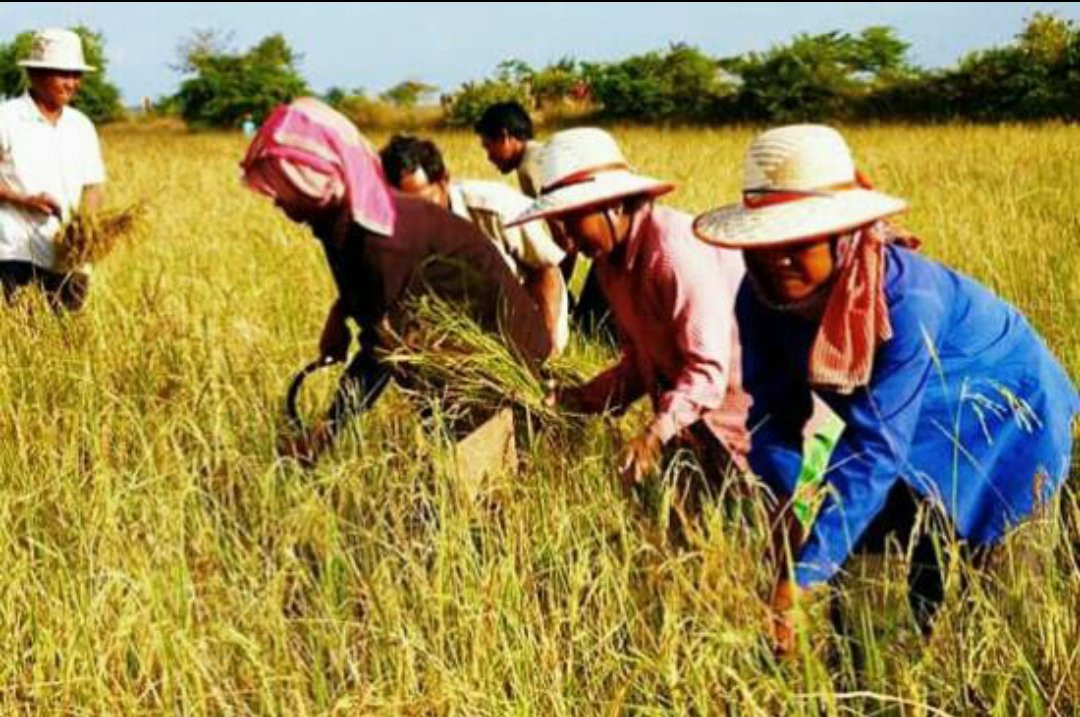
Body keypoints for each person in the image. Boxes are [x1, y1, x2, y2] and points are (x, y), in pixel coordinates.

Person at [692, 124, 1080, 655]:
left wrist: (801, 580)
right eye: (763, 242)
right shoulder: (759, 298)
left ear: (844, 236)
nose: (776, 257)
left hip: (1006, 422)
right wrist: (790, 515)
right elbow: (773, 415)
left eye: (798, 241)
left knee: (1007, 604)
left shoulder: (904, 299)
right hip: (896, 433)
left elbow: (875, 448)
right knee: (863, 608)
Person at [241, 98, 552, 465]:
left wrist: (326, 431)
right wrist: (339, 317)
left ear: (313, 187)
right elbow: (376, 307)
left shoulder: (381, 239)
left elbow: (383, 349)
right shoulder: (344, 222)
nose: (277, 202)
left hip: (494, 364)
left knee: (473, 500)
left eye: (283, 190)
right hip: (445, 359)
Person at [511, 127, 751, 499]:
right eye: (557, 225)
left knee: (769, 539)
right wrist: (581, 399)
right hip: (692, 422)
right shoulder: (610, 266)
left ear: (615, 205)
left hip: (751, 423)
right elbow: (641, 362)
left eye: (572, 222)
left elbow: (707, 371)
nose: (567, 240)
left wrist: (655, 435)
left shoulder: (672, 252)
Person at [379, 134, 569, 354]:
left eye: (422, 203)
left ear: (444, 180)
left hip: (522, 323)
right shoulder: (392, 230)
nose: (414, 216)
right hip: (462, 339)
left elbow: (546, 270)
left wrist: (547, 347)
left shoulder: (497, 209)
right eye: (402, 207)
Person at [474, 101, 614, 339]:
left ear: (505, 137)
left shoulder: (530, 168)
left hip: (606, 247)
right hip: (608, 241)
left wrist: (556, 290)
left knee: (590, 331)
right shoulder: (541, 154)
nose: (489, 157)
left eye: (489, 147)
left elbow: (565, 237)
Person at [0, 28, 106, 311]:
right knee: (24, 339)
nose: (72, 83)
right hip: (15, 252)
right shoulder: (7, 118)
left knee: (67, 339)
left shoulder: (81, 125)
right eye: (63, 75)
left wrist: (86, 225)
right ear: (36, 75)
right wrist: (25, 200)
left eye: (76, 75)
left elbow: (94, 185)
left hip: (67, 256)